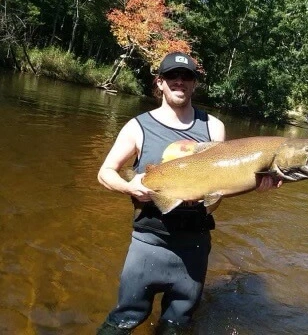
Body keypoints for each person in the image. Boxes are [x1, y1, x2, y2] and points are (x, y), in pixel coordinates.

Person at [96, 52, 279, 334]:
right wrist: (130, 186)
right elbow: (105, 172)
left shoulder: (213, 127)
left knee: (177, 324)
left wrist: (256, 183)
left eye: (187, 77)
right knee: (125, 319)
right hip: (149, 241)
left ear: (195, 84)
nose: (179, 81)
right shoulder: (138, 127)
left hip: (195, 245)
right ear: (159, 82)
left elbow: (218, 188)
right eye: (172, 76)